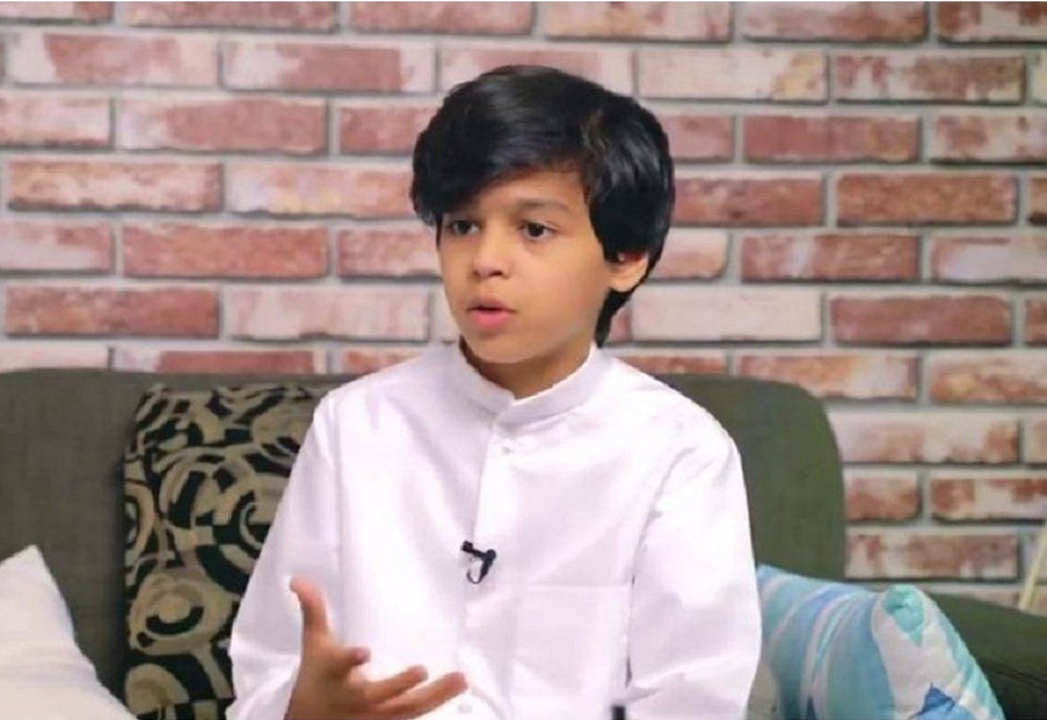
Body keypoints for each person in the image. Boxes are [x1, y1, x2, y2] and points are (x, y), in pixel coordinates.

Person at [227, 64, 761, 720]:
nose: (485, 261)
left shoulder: (679, 452)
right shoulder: (356, 425)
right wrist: (300, 712)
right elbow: (268, 667)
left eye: (534, 230)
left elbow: (693, 700)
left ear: (626, 257)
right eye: (463, 226)